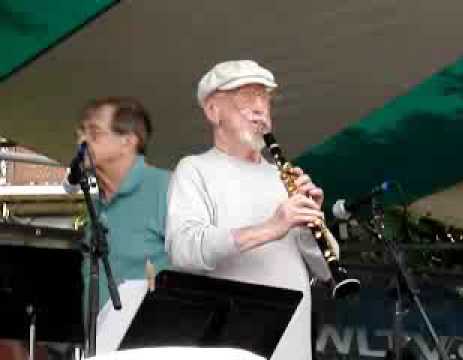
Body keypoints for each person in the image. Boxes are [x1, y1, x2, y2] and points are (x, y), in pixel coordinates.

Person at [166, 60, 338, 360]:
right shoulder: (195, 169)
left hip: (291, 349)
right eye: (246, 98)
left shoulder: (284, 178)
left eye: (265, 99)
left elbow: (326, 270)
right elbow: (183, 251)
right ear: (213, 111)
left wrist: (312, 226)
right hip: (228, 348)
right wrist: (270, 228)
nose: (260, 109)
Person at [76, 97, 170, 308]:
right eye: (80, 133)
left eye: (94, 133)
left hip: (154, 336)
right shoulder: (96, 203)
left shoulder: (168, 188)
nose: (81, 141)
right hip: (101, 339)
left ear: (127, 141)